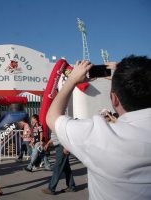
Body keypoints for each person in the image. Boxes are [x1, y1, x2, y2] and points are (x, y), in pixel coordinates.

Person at [45, 56, 151, 199]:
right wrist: (126, 75)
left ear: (114, 98)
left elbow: (52, 117)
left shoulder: (100, 134)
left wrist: (72, 80)